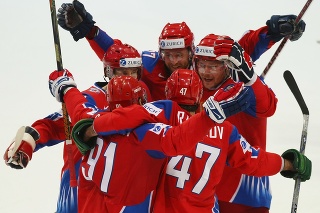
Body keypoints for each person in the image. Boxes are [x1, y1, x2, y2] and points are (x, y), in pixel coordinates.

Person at [68, 69, 312, 213]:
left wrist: (93, 127)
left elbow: (129, 117)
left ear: (166, 93)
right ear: (199, 98)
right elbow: (254, 162)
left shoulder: (161, 112)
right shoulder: (225, 130)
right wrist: (287, 164)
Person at [47, 69, 250, 212]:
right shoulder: (143, 132)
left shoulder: (91, 118)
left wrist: (66, 87)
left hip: (90, 205)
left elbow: (77, 106)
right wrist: (209, 118)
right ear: (140, 102)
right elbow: (175, 141)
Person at [3, 40, 151, 213]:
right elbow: (53, 125)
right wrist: (28, 142)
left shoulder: (142, 96)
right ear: (109, 72)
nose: (129, 78)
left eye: (133, 73)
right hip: (80, 185)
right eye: (123, 72)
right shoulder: (90, 99)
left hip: (120, 188)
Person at [57, 0, 306, 100]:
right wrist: (89, 30)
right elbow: (118, 56)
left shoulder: (205, 64)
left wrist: (272, 31)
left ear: (191, 51)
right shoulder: (150, 64)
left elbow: (242, 49)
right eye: (168, 55)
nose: (174, 60)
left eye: (179, 54)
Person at [193, 33, 278, 212]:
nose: (206, 71)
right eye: (202, 65)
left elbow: (268, 108)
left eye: (213, 66)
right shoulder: (193, 89)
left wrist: (251, 80)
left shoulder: (243, 87)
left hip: (245, 192)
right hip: (205, 191)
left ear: (226, 67)